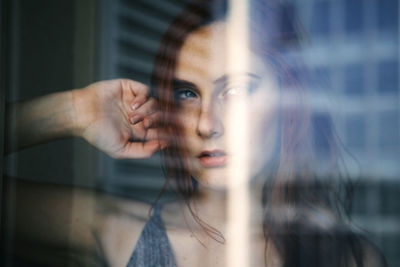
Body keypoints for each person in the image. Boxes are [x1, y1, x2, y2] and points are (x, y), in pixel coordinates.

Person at [2, 0, 387, 266]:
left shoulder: (351, 257)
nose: (206, 123)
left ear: (291, 100)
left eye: (235, 90)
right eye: (187, 94)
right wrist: (72, 111)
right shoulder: (114, 229)